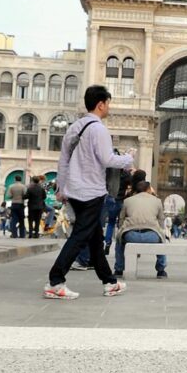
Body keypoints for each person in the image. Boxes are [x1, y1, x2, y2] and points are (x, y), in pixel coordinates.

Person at [43, 85, 135, 299]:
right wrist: (128, 158)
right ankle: (55, 281)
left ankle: (109, 281)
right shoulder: (98, 129)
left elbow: (63, 160)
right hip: (91, 191)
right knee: (80, 236)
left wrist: (61, 188)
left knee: (94, 238)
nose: (109, 107)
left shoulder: (75, 127)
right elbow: (108, 159)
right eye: (108, 103)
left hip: (74, 190)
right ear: (101, 104)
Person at [113, 180, 167, 278]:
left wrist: (121, 232)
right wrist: (161, 232)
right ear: (148, 189)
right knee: (162, 239)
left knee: (119, 241)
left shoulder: (127, 201)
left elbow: (121, 219)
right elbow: (161, 221)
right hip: (151, 236)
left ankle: (119, 269)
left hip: (131, 235)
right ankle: (161, 270)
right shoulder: (157, 201)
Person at [6, 175, 27, 239]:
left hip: (14, 204)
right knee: (21, 220)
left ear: (15, 179)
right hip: (21, 204)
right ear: (20, 179)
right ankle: (22, 235)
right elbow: (25, 195)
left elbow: (8, 196)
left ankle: (14, 234)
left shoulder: (11, 186)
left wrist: (13, 196)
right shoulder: (23, 186)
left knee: (14, 220)